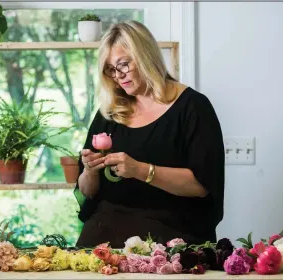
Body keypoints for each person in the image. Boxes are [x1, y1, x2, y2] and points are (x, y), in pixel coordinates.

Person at [73, 20, 225, 248]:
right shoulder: (109, 112)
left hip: (172, 235)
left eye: (123, 64)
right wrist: (90, 171)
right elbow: (86, 191)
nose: (118, 76)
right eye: (111, 70)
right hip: (104, 233)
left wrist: (140, 170)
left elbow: (202, 185)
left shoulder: (193, 107)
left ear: (145, 55)